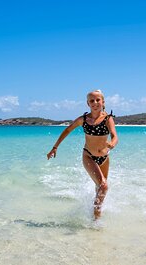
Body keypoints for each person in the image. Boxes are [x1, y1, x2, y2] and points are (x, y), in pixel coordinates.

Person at [47, 90, 118, 219]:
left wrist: (112, 143)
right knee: (104, 185)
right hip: (88, 156)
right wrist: (55, 147)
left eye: (98, 100)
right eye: (92, 101)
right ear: (87, 103)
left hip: (104, 158)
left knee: (99, 187)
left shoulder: (108, 119)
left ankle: (94, 211)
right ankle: (96, 220)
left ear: (103, 102)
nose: (95, 103)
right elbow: (67, 130)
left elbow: (114, 135)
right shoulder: (83, 119)